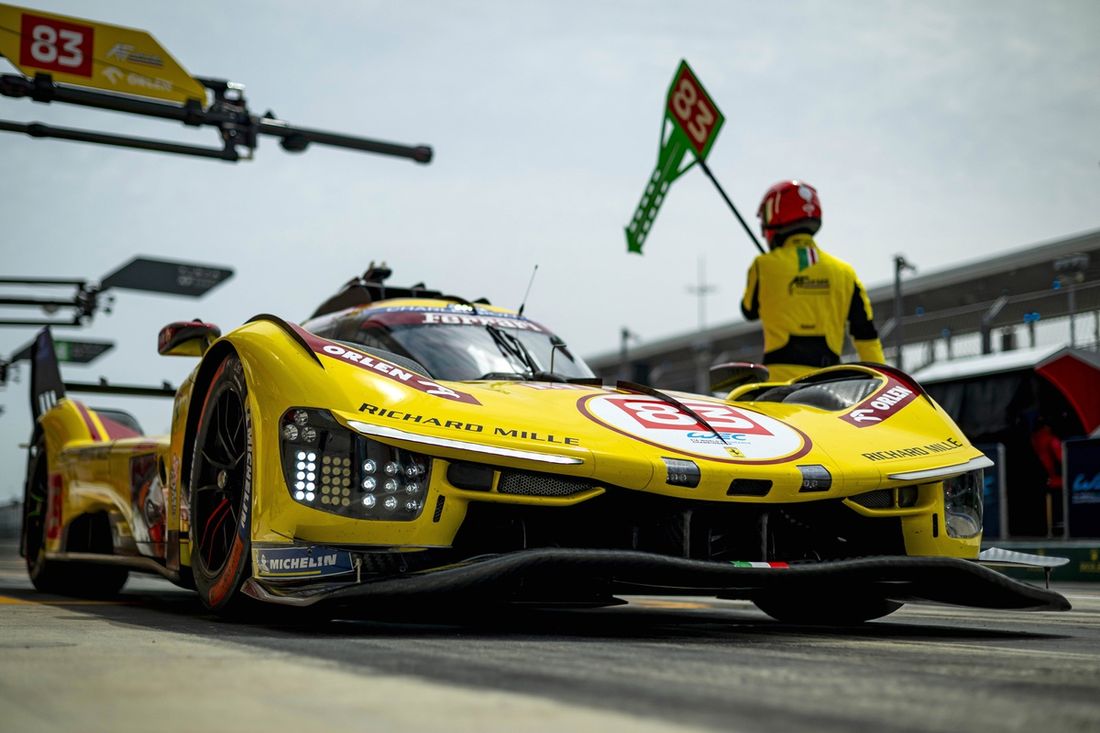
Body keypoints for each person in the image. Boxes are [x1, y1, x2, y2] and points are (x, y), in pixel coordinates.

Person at [740, 180, 885, 382]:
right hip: (829, 386)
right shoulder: (845, 272)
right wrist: (882, 381)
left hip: (776, 389)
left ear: (774, 216)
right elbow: (866, 336)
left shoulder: (762, 265)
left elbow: (748, 310)